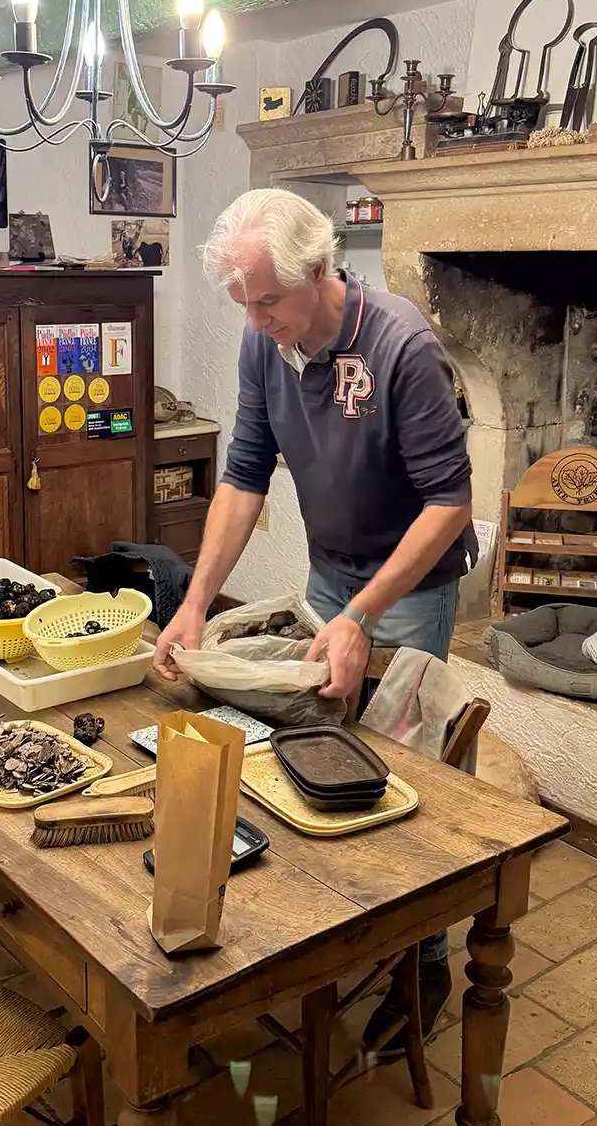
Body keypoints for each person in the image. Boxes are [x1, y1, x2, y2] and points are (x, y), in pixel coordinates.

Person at [153, 188, 476, 1053]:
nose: (255, 322)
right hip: (330, 573)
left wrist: (366, 614)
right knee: (317, 748)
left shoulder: (402, 345)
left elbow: (451, 502)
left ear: (321, 273)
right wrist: (192, 603)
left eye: (267, 301)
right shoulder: (269, 349)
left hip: (409, 584)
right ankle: (338, 930)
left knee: (409, 780)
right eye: (243, 304)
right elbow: (244, 475)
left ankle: (428, 954)